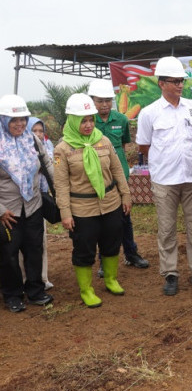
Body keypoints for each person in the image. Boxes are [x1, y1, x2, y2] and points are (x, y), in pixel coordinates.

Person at [136, 56, 192, 296]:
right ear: (162, 83)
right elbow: (143, 146)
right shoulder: (149, 113)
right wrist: (166, 161)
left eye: (182, 81)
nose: (180, 85)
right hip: (164, 181)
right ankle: (170, 274)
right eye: (174, 81)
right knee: (167, 229)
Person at [53, 94, 132, 308]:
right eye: (83, 121)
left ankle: (111, 280)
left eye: (90, 119)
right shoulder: (62, 149)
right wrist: (65, 212)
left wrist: (125, 194)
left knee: (112, 241)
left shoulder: (102, 140)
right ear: (72, 120)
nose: (88, 125)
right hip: (82, 208)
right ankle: (86, 290)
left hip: (110, 202)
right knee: (84, 248)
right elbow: (60, 185)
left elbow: (116, 169)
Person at [87, 79, 150, 275]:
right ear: (92, 101)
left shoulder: (121, 119)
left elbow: (122, 147)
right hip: (97, 179)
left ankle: (131, 254)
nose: (104, 105)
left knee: (124, 217)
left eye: (108, 100)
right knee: (102, 222)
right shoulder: (87, 122)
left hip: (119, 176)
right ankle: (103, 262)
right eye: (100, 101)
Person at [0, 95, 54, 312]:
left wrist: (56, 192)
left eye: (23, 118)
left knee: (34, 249)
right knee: (8, 254)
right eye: (13, 120)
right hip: (8, 211)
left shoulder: (32, 139)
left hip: (33, 205)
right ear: (3, 120)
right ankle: (12, 295)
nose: (19, 124)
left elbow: (47, 164)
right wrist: (1, 211)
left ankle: (36, 290)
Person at [27, 117, 54, 290]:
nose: (38, 134)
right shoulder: (16, 149)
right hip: (22, 199)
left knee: (40, 240)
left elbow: (53, 167)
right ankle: (24, 279)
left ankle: (42, 278)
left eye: (40, 131)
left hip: (41, 197)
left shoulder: (48, 146)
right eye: (34, 131)